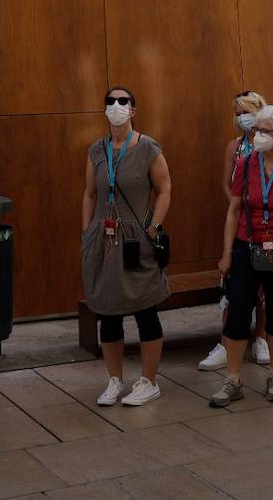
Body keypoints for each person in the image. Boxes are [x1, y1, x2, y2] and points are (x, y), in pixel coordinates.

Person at [210, 105, 273, 406]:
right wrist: (226, 254)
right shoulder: (246, 164)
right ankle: (232, 380)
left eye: (266, 131)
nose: (259, 135)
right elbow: (234, 209)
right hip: (245, 244)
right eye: (258, 130)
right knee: (238, 311)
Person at [82, 86, 173, 407]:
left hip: (137, 239)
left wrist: (153, 227)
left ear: (133, 110)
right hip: (104, 241)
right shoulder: (97, 150)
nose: (116, 106)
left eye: (123, 102)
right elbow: (90, 192)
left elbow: (164, 188)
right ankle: (114, 380)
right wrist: (88, 231)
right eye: (110, 101)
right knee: (108, 313)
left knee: (145, 309)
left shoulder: (147, 147)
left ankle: (149, 381)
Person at [201, 91, 270, 372]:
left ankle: (261, 338)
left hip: (266, 224)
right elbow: (225, 183)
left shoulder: (270, 143)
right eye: (237, 112)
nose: (240, 117)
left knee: (264, 285)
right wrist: (236, 203)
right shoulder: (235, 146)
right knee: (233, 284)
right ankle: (226, 341)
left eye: (245, 111)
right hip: (239, 221)